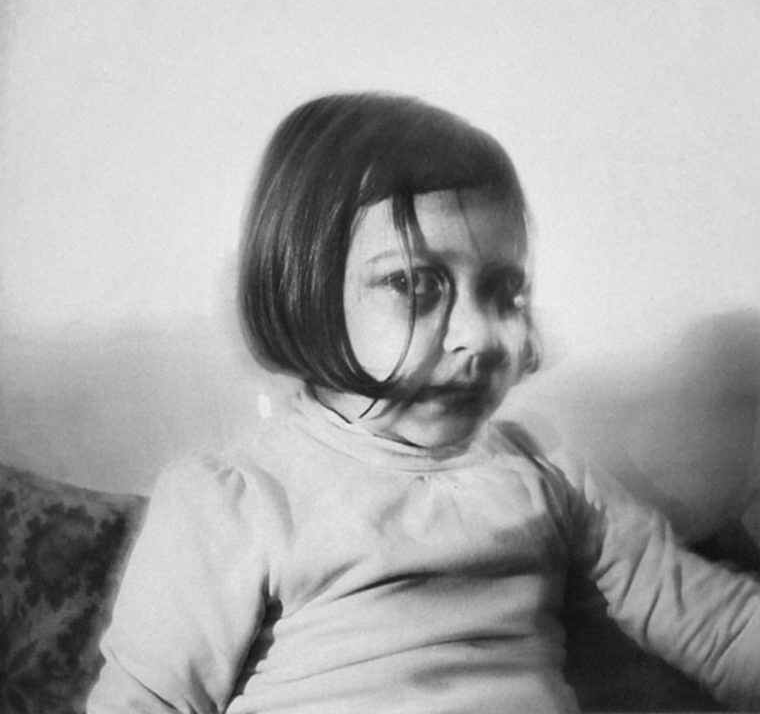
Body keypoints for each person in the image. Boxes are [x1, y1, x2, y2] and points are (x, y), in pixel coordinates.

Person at [87, 93, 760, 713]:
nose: (481, 336)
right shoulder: (236, 498)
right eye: (413, 284)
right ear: (303, 291)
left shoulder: (542, 469)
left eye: (504, 292)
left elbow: (717, 625)